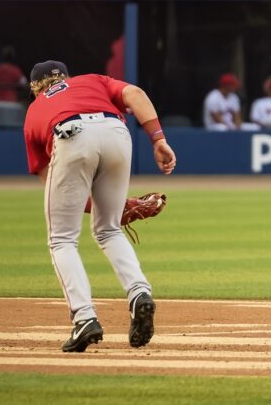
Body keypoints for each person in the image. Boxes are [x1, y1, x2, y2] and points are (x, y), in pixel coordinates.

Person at [22, 60, 177, 352]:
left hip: (69, 134)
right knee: (109, 229)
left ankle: (84, 318)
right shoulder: (92, 80)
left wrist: (90, 204)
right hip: (116, 131)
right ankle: (139, 293)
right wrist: (158, 140)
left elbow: (49, 179)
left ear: (35, 87)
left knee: (62, 240)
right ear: (66, 77)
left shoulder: (34, 109)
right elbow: (136, 94)